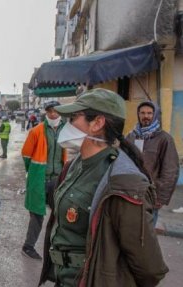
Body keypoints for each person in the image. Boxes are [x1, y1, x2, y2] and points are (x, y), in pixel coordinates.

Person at [39, 88, 168, 287]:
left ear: (97, 123)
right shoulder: (74, 166)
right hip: (63, 279)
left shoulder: (123, 182)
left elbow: (149, 267)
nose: (67, 124)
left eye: (74, 117)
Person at [21, 101, 66, 260]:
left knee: (59, 214)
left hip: (58, 179)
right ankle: (28, 246)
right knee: (37, 215)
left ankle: (56, 246)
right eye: (49, 111)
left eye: (55, 111)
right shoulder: (36, 131)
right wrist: (32, 172)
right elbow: (26, 155)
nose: (53, 114)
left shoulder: (66, 130)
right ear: (46, 112)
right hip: (39, 179)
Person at [125, 101, 180, 225]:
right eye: (143, 113)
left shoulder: (164, 139)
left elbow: (170, 171)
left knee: (148, 231)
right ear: (138, 114)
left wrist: (160, 197)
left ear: (155, 115)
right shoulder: (130, 137)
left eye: (150, 113)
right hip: (131, 192)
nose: (146, 116)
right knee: (131, 230)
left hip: (151, 194)